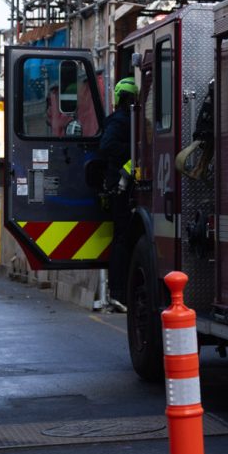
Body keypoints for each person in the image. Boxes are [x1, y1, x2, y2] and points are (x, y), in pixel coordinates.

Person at [96, 76, 137, 293]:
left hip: (125, 185)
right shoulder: (120, 121)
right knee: (122, 238)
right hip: (120, 187)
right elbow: (107, 146)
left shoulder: (128, 119)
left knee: (124, 237)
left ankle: (120, 290)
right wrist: (133, 150)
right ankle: (118, 290)